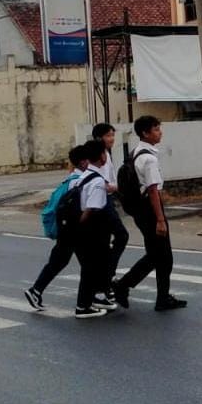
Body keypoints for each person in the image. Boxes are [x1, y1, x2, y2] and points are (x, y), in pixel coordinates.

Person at [112, 116, 186, 312]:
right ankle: (124, 286)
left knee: (159, 255)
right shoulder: (149, 158)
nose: (160, 132)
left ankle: (161, 296)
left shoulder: (136, 152)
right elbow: (153, 190)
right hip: (150, 210)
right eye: (156, 129)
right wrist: (160, 219)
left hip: (139, 209)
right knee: (160, 255)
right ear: (145, 133)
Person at [24, 145, 89, 311]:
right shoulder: (79, 181)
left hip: (66, 229)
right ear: (83, 162)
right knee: (89, 264)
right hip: (75, 229)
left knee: (59, 261)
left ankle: (36, 291)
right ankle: (92, 299)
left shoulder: (69, 180)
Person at [71, 141, 114, 319]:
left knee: (90, 268)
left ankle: (90, 301)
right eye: (104, 153)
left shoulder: (84, 176)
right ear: (102, 156)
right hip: (92, 230)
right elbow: (92, 208)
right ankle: (83, 306)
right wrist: (83, 226)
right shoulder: (97, 181)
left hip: (81, 230)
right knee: (91, 268)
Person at [92, 123, 129, 292]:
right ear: (99, 138)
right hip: (103, 202)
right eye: (108, 136)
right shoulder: (98, 157)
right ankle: (108, 274)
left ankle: (105, 277)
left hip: (106, 201)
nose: (112, 139)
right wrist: (118, 187)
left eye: (113, 135)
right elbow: (102, 184)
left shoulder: (105, 154)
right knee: (121, 235)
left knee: (106, 241)